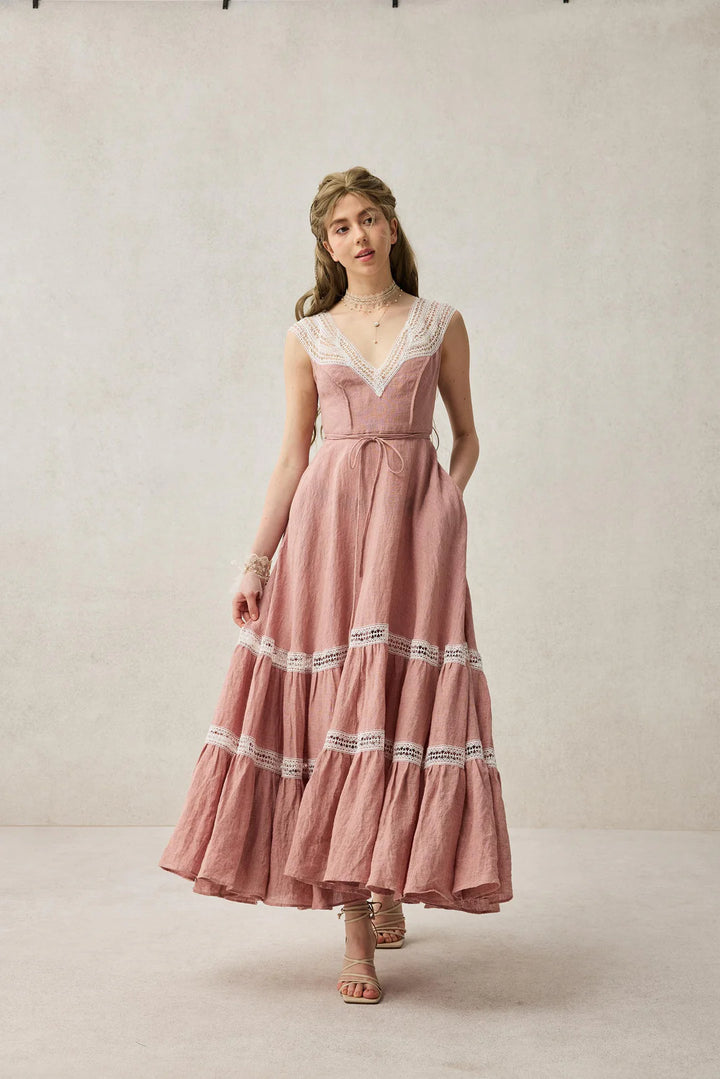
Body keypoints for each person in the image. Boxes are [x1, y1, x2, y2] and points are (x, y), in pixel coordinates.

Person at [159, 166, 513, 1005]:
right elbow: (293, 455)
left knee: (396, 706)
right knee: (334, 716)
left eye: (369, 218)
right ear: (326, 245)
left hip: (416, 545)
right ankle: (357, 927)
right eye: (341, 227)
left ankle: (386, 875)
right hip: (326, 538)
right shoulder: (309, 336)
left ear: (391, 225)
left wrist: (445, 506)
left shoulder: (441, 322)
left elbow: (466, 435)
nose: (358, 236)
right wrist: (256, 560)